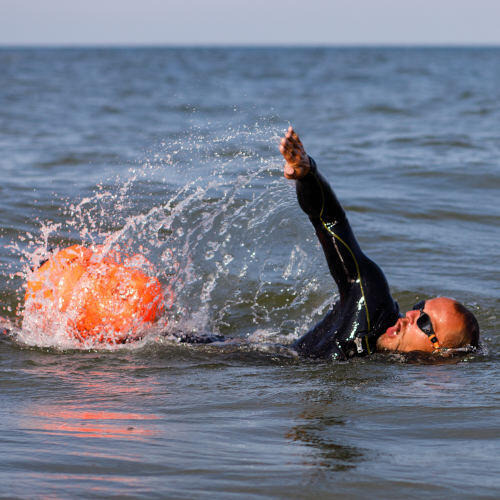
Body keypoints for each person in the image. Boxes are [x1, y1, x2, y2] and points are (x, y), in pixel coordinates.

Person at [279, 126, 479, 360]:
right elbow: (331, 221)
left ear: (441, 353)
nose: (411, 314)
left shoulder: (393, 385)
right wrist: (307, 174)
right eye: (419, 306)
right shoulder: (371, 299)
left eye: (424, 322)